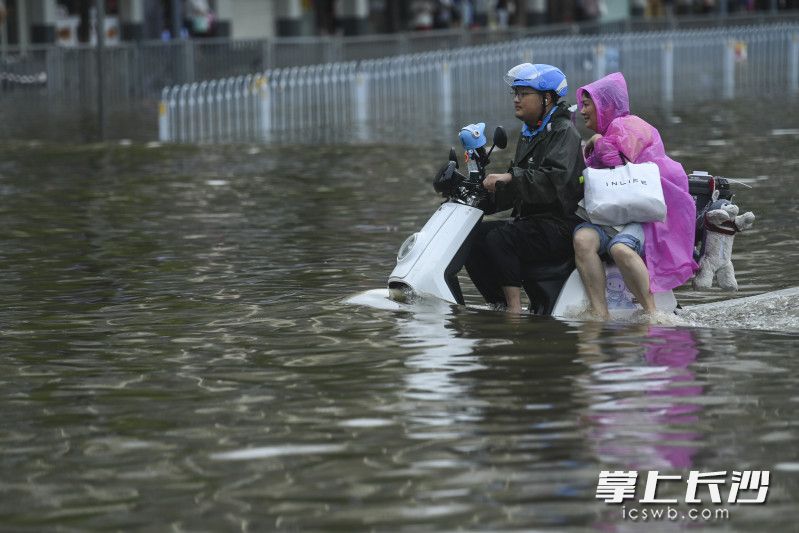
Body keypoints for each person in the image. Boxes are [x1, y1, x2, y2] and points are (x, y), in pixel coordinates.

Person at [573, 72, 698, 319]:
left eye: (587, 104)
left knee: (620, 249)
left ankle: (653, 314)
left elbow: (619, 163)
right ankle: (600, 314)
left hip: (645, 216)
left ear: (605, 105)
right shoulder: (610, 131)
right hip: (614, 213)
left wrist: (597, 141)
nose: (582, 111)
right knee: (583, 241)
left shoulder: (630, 125)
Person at [464, 63, 585, 313]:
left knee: (500, 238)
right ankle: (496, 304)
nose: (516, 99)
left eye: (524, 94)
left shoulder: (564, 132)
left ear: (547, 98)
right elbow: (520, 186)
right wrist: (481, 197)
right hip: (532, 223)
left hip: (558, 225)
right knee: (472, 237)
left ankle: (514, 310)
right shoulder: (531, 131)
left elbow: (552, 180)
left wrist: (509, 178)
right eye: (515, 94)